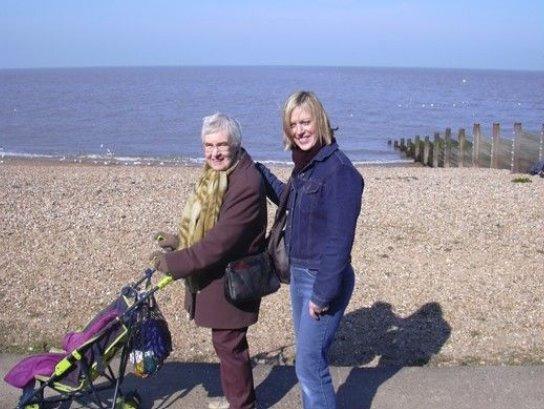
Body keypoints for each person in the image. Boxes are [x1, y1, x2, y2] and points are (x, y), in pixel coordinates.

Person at [150, 113, 267, 409]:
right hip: (220, 274)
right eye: (208, 145)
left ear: (236, 145)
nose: (214, 153)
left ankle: (243, 406)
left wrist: (174, 263)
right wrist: (180, 240)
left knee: (230, 346)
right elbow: (208, 225)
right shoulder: (219, 173)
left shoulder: (246, 183)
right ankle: (237, 402)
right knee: (225, 344)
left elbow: (219, 242)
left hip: (234, 277)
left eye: (221, 145)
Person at [256, 91, 364, 409]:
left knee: (309, 365)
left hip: (322, 279)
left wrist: (322, 294)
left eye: (306, 122)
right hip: (301, 274)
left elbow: (340, 241)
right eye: (293, 125)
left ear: (320, 121)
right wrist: (260, 173)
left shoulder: (338, 171)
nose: (300, 130)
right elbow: (291, 201)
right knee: (308, 363)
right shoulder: (306, 166)